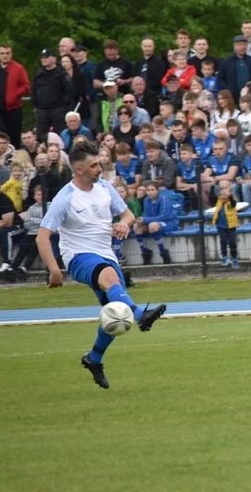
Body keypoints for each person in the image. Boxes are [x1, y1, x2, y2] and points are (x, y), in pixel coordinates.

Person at [36, 142, 167, 388]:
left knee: (116, 312)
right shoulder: (64, 198)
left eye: (100, 163)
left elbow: (127, 214)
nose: (100, 168)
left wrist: (123, 224)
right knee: (112, 281)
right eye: (94, 165)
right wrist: (54, 269)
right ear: (78, 169)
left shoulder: (105, 187)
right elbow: (42, 236)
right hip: (78, 256)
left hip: (106, 255)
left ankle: (94, 358)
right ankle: (141, 315)